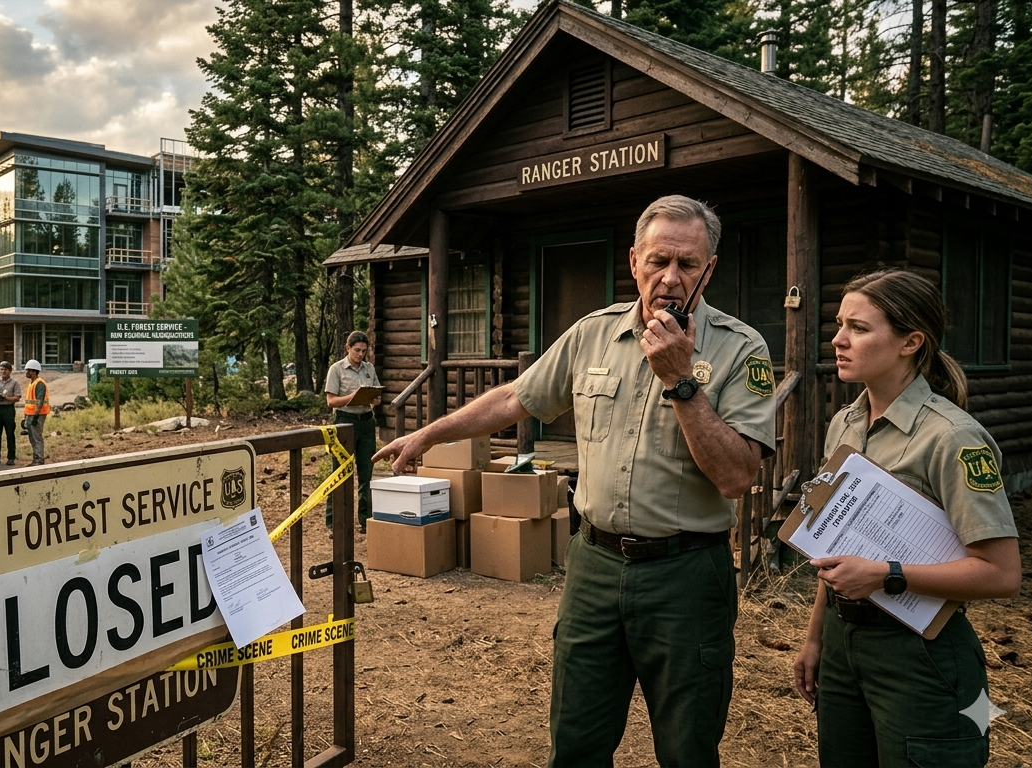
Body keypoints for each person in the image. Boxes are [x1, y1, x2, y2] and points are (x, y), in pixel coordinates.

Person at [374, 195, 775, 767]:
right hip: (594, 565)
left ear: (709, 270)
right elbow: (517, 396)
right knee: (577, 742)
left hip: (687, 575)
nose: (670, 277)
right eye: (659, 260)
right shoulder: (594, 334)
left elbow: (737, 476)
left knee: (688, 748)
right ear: (634, 260)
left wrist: (682, 382)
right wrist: (429, 434)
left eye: (688, 265)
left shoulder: (741, 348)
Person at [792, 269, 1020, 767]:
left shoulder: (952, 438)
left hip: (922, 654)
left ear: (910, 342)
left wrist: (887, 575)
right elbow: (831, 546)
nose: (838, 339)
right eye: (839, 324)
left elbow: (1002, 574)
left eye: (859, 327)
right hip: (842, 642)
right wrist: (815, 639)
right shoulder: (845, 424)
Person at [324, 331, 381, 533]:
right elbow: (331, 401)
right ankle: (334, 521)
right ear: (347, 348)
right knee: (339, 472)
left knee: (366, 471)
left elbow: (375, 393)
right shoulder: (336, 369)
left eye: (364, 351)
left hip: (366, 421)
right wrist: (353, 397)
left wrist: (374, 399)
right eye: (357, 350)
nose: (360, 355)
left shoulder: (369, 368)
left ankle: (365, 519)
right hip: (344, 421)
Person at [0, 361, 23, 466]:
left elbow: (17, 397)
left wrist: (6, 398)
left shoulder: (14, 383)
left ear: (10, 371)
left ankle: (11, 458)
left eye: (5, 370)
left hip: (8, 408)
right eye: (1, 369)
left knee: (10, 433)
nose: (3, 371)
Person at [22, 359, 49, 466]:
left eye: (28, 371)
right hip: (30, 414)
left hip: (38, 415)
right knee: (32, 438)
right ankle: (36, 458)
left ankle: (39, 459)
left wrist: (35, 417)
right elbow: (29, 402)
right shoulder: (32, 383)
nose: (27, 373)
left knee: (37, 437)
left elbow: (40, 401)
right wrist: (26, 417)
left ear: (34, 371)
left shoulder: (39, 383)